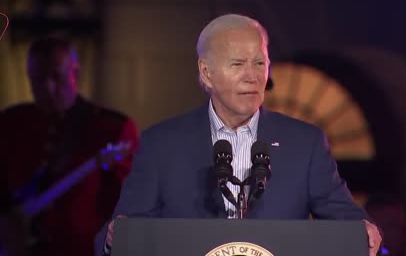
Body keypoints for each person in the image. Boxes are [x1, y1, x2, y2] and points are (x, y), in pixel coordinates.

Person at [95, 14, 382, 256]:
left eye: (259, 63)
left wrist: (365, 231)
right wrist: (113, 238)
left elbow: (348, 221)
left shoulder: (305, 144)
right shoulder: (161, 144)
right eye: (238, 64)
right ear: (206, 73)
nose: (253, 76)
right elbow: (122, 232)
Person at [0, 36, 138, 256]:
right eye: (37, 79)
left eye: (57, 77)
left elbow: (128, 206)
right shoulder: (12, 123)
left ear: (75, 74)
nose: (47, 87)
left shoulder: (110, 128)